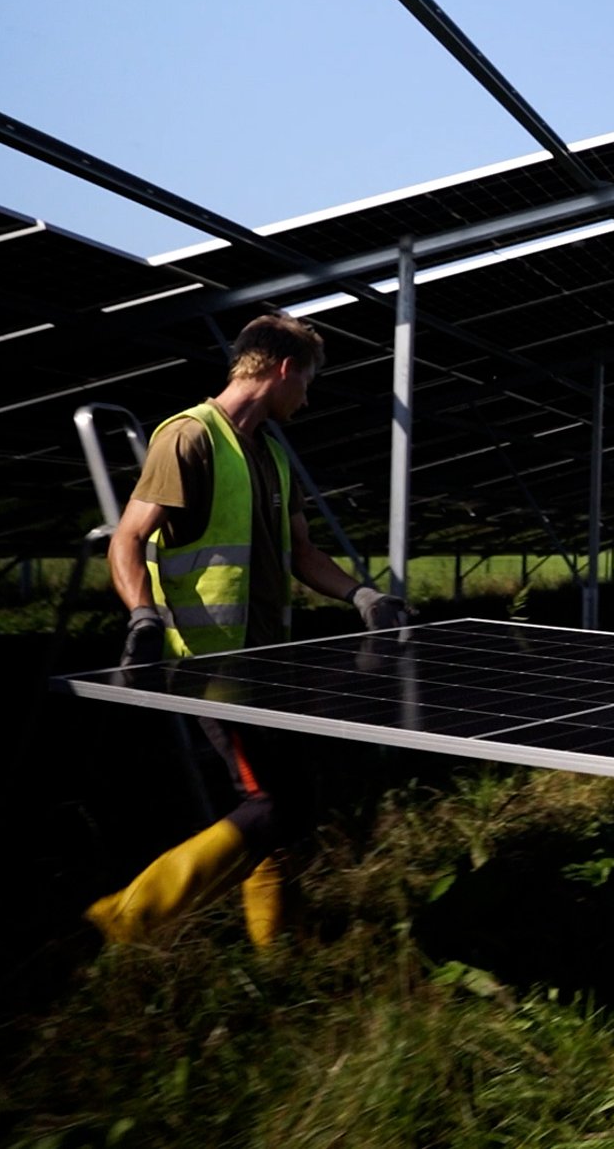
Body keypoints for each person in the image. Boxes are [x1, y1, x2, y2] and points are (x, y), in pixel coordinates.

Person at [84, 312, 408, 948]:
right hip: (208, 666)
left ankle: (278, 941)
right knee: (272, 801)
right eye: (307, 383)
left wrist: (364, 596)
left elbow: (302, 555)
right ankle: (129, 917)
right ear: (284, 368)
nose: (307, 399)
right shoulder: (188, 438)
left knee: (293, 799)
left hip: (266, 662)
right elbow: (127, 538)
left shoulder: (271, 456)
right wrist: (143, 614)